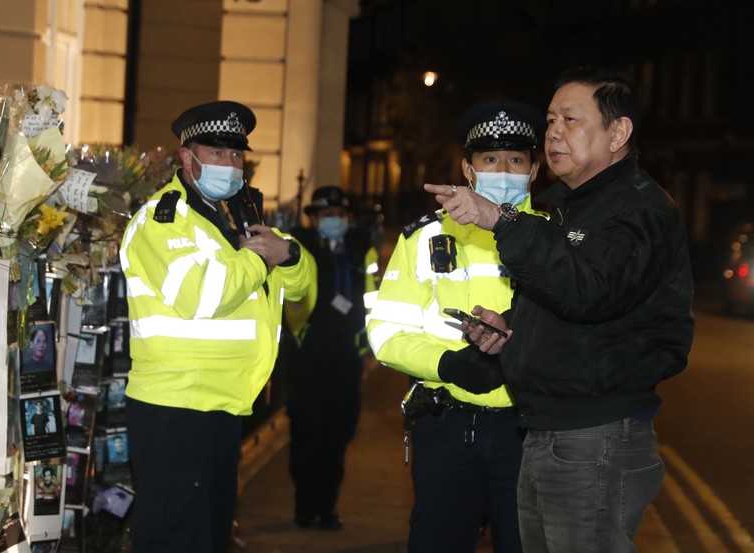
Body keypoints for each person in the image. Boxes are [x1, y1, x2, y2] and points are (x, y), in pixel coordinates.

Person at [427, 67, 694, 553]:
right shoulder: (572, 208)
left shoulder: (638, 209)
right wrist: (513, 331)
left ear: (618, 133)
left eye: (570, 120)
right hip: (548, 430)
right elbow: (569, 302)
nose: (553, 133)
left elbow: (592, 291)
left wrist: (499, 218)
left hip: (594, 438)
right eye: (551, 121)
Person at [121, 100, 313, 553]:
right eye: (217, 153)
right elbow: (202, 295)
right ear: (187, 158)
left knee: (208, 536)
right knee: (175, 539)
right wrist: (257, 256)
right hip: (175, 408)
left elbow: (300, 290)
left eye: (236, 155)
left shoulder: (233, 219)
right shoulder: (163, 218)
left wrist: (287, 255)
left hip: (223, 407)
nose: (230, 164)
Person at [367, 99, 545, 553]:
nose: (502, 170)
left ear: (534, 171)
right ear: (468, 170)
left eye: (515, 160)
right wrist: (448, 364)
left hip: (531, 434)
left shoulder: (554, 237)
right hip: (446, 429)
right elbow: (386, 332)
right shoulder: (424, 238)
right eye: (489, 159)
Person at [283, 185, 379, 530]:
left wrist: (368, 341)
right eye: (328, 215)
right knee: (307, 432)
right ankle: (305, 505)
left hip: (346, 358)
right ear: (314, 219)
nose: (335, 221)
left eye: (340, 215)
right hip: (309, 356)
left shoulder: (360, 250)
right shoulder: (300, 248)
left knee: (338, 433)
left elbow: (371, 295)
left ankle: (328, 505)